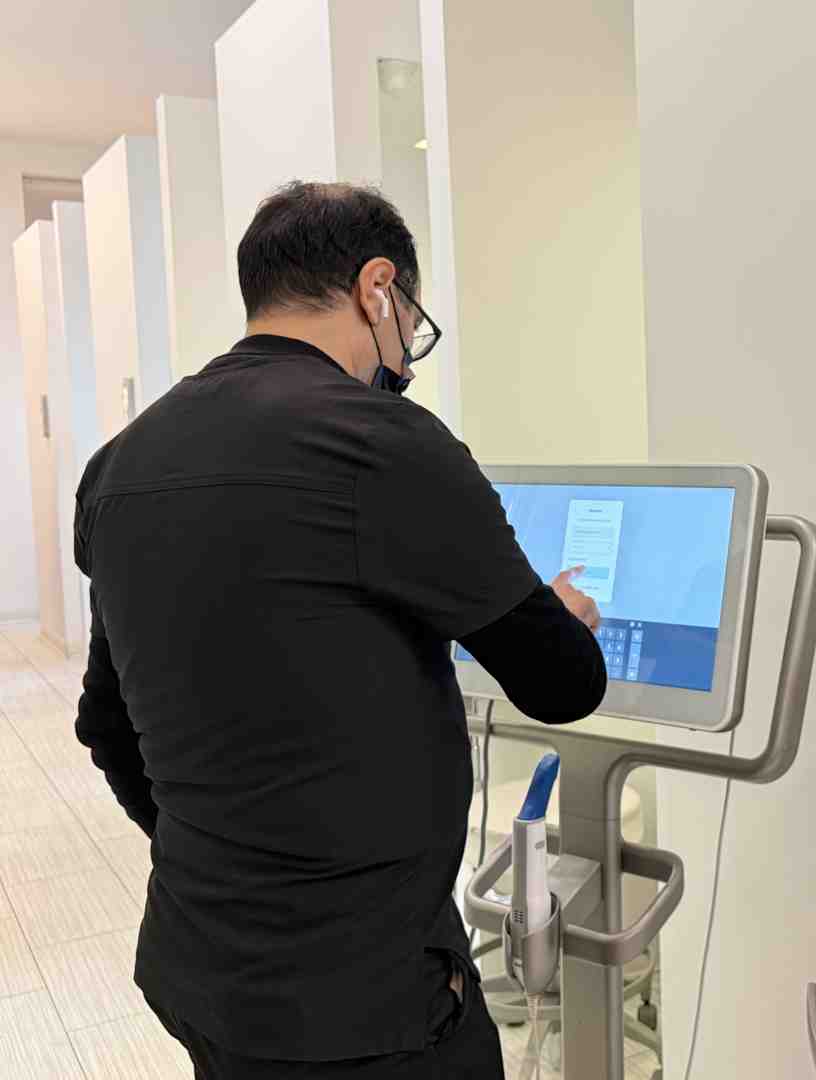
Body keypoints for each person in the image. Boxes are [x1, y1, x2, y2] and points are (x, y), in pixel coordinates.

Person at [72, 181, 607, 1078]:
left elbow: (105, 722)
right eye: (411, 324)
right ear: (377, 289)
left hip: (199, 968)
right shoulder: (384, 441)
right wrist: (564, 617)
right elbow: (563, 684)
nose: (404, 356)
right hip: (367, 1004)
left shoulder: (122, 463)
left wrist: (221, 856)